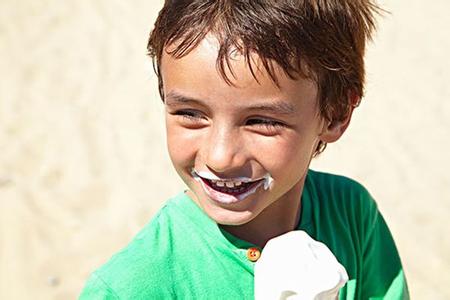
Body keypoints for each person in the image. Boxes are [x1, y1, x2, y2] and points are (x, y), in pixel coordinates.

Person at [80, 0, 409, 299]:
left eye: (261, 121)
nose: (220, 158)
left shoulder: (351, 215)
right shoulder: (130, 288)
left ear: (335, 113)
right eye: (190, 114)